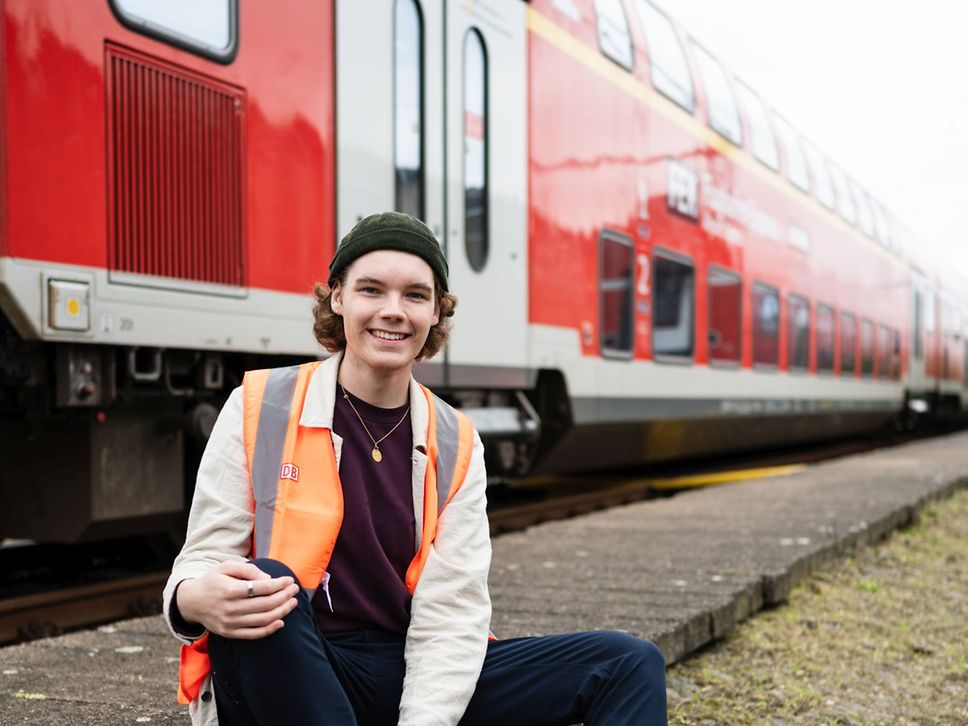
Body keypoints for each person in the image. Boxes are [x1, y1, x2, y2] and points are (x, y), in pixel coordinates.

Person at [163, 211, 667, 725]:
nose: (393, 311)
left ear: (435, 313)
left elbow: (451, 614)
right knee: (266, 585)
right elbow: (202, 558)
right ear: (338, 298)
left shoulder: (456, 440)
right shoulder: (260, 405)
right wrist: (191, 598)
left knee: (627, 662)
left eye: (415, 296)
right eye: (371, 290)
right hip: (298, 665)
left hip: (410, 668)